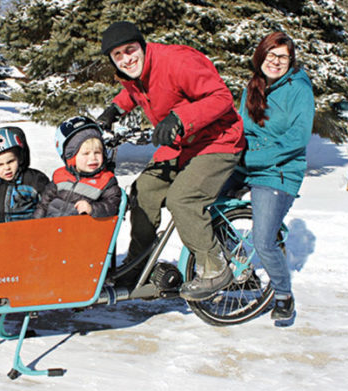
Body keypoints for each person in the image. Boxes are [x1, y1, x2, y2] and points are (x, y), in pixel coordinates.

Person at [97, 21, 244, 297]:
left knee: (183, 199)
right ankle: (138, 266)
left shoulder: (177, 61)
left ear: (142, 45)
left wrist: (180, 118)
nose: (126, 59)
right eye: (118, 55)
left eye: (130, 50)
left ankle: (214, 268)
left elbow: (222, 97)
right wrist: (114, 110)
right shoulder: (134, 73)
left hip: (218, 141)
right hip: (181, 145)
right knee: (143, 191)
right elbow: (135, 89)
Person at [226, 31, 314, 321]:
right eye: (271, 55)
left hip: (279, 170)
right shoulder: (252, 86)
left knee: (263, 241)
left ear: (291, 61)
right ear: (260, 55)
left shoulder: (299, 88)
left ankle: (283, 294)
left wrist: (255, 158)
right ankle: (240, 266)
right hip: (247, 162)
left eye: (283, 57)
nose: (276, 62)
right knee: (202, 204)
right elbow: (241, 126)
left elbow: (297, 138)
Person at [34, 116, 121, 219]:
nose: (93, 158)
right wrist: (35, 224)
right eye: (86, 154)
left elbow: (112, 206)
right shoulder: (60, 177)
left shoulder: (105, 181)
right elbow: (44, 204)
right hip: (51, 228)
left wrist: (92, 209)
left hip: (81, 231)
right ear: (72, 157)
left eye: (97, 152)